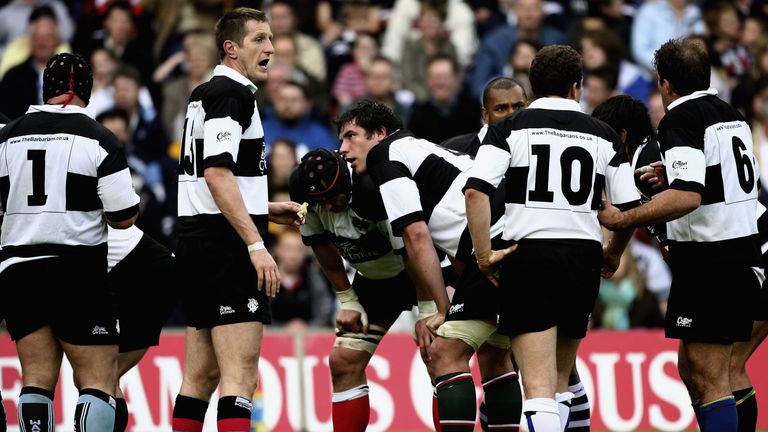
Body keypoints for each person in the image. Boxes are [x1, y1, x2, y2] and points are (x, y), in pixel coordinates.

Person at [464, 45, 640, 430]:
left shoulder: (509, 128)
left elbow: (475, 192)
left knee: (538, 389)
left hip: (531, 255)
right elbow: (628, 211)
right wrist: (613, 253)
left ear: (533, 85)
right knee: (561, 382)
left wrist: (484, 255)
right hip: (583, 258)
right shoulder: (605, 134)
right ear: (576, 87)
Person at [598, 38, 762, 432]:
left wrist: (622, 221)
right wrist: (670, 175)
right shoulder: (730, 114)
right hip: (738, 252)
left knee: (712, 376)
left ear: (665, 83)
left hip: (715, 259)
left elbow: (688, 196)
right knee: (694, 369)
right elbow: (720, 179)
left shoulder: (680, 119)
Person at [337, 99, 515, 432]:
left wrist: (443, 307)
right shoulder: (415, 148)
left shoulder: (384, 154)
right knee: (495, 354)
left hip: (496, 240)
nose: (343, 149)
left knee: (444, 352)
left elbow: (415, 235)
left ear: (380, 133)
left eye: (351, 136)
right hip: (512, 238)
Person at [172, 8, 302, 431]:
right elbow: (216, 172)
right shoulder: (234, 95)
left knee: (201, 376)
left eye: (271, 39)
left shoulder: (202, 93)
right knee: (240, 377)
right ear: (231, 48)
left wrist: (264, 209)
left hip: (194, 240)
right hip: (225, 246)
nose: (270, 48)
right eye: (259, 40)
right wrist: (255, 242)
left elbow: (212, 177)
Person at [0, 52, 140, 431]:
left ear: (46, 88)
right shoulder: (99, 138)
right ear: (89, 91)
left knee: (36, 379)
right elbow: (124, 217)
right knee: (96, 379)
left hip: (17, 270)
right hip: (77, 269)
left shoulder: (7, 136)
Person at [289, 148, 437, 431]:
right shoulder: (304, 192)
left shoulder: (372, 190)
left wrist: (428, 307)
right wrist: (347, 299)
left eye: (334, 199)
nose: (329, 208)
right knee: (343, 360)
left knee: (440, 352)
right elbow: (322, 248)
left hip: (423, 270)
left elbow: (412, 252)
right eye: (321, 203)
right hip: (377, 278)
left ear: (347, 186)